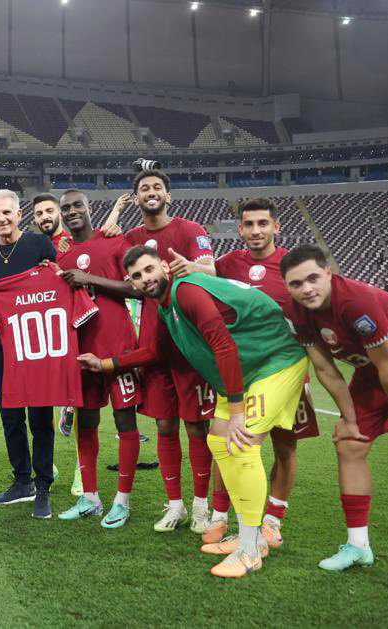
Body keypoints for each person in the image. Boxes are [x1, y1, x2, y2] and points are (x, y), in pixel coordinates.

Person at [79, 245, 308, 578]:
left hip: (275, 361)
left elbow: (223, 345)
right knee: (219, 443)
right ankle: (252, 536)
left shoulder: (186, 291)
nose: (146, 279)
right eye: (137, 277)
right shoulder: (164, 306)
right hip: (251, 368)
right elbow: (155, 351)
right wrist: (105, 364)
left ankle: (249, 549)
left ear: (163, 267)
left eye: (149, 270)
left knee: (241, 444)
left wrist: (237, 408)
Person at [281, 244, 388, 593]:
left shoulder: (356, 301)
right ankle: (358, 546)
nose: (307, 289)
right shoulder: (295, 313)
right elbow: (325, 367)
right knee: (349, 444)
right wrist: (349, 417)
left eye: (312, 278)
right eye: (296, 284)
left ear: (328, 273)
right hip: (373, 371)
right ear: (288, 287)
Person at [208, 198, 318, 547]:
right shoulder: (226, 264)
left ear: (276, 227)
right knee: (228, 440)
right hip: (240, 370)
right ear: (240, 229)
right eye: (249, 224)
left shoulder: (290, 266)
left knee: (285, 447)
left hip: (283, 370)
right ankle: (221, 515)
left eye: (262, 223)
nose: (256, 230)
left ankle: (272, 520)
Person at [116, 170, 217, 534]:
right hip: (154, 348)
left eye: (157, 187)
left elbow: (212, 269)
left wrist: (190, 268)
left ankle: (201, 507)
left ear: (168, 196)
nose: (151, 192)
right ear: (137, 198)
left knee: (196, 426)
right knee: (163, 425)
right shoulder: (131, 238)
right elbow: (112, 268)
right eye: (144, 189)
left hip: (190, 346)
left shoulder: (191, 231)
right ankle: (175, 505)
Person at [53, 189, 143, 528]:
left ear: (90, 209)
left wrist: (89, 278)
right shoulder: (63, 256)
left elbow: (136, 288)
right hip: (82, 354)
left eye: (78, 205)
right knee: (86, 423)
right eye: (67, 209)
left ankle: (122, 500)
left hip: (119, 349)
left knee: (125, 423)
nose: (72, 212)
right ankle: (89, 497)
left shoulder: (115, 243)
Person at [0, 188, 57, 519]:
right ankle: (22, 481)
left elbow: (55, 286)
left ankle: (43, 485)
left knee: (39, 416)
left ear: (19, 214)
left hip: (35, 344)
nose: (2, 218)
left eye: (7, 212)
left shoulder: (39, 246)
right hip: (1, 343)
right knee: (10, 415)